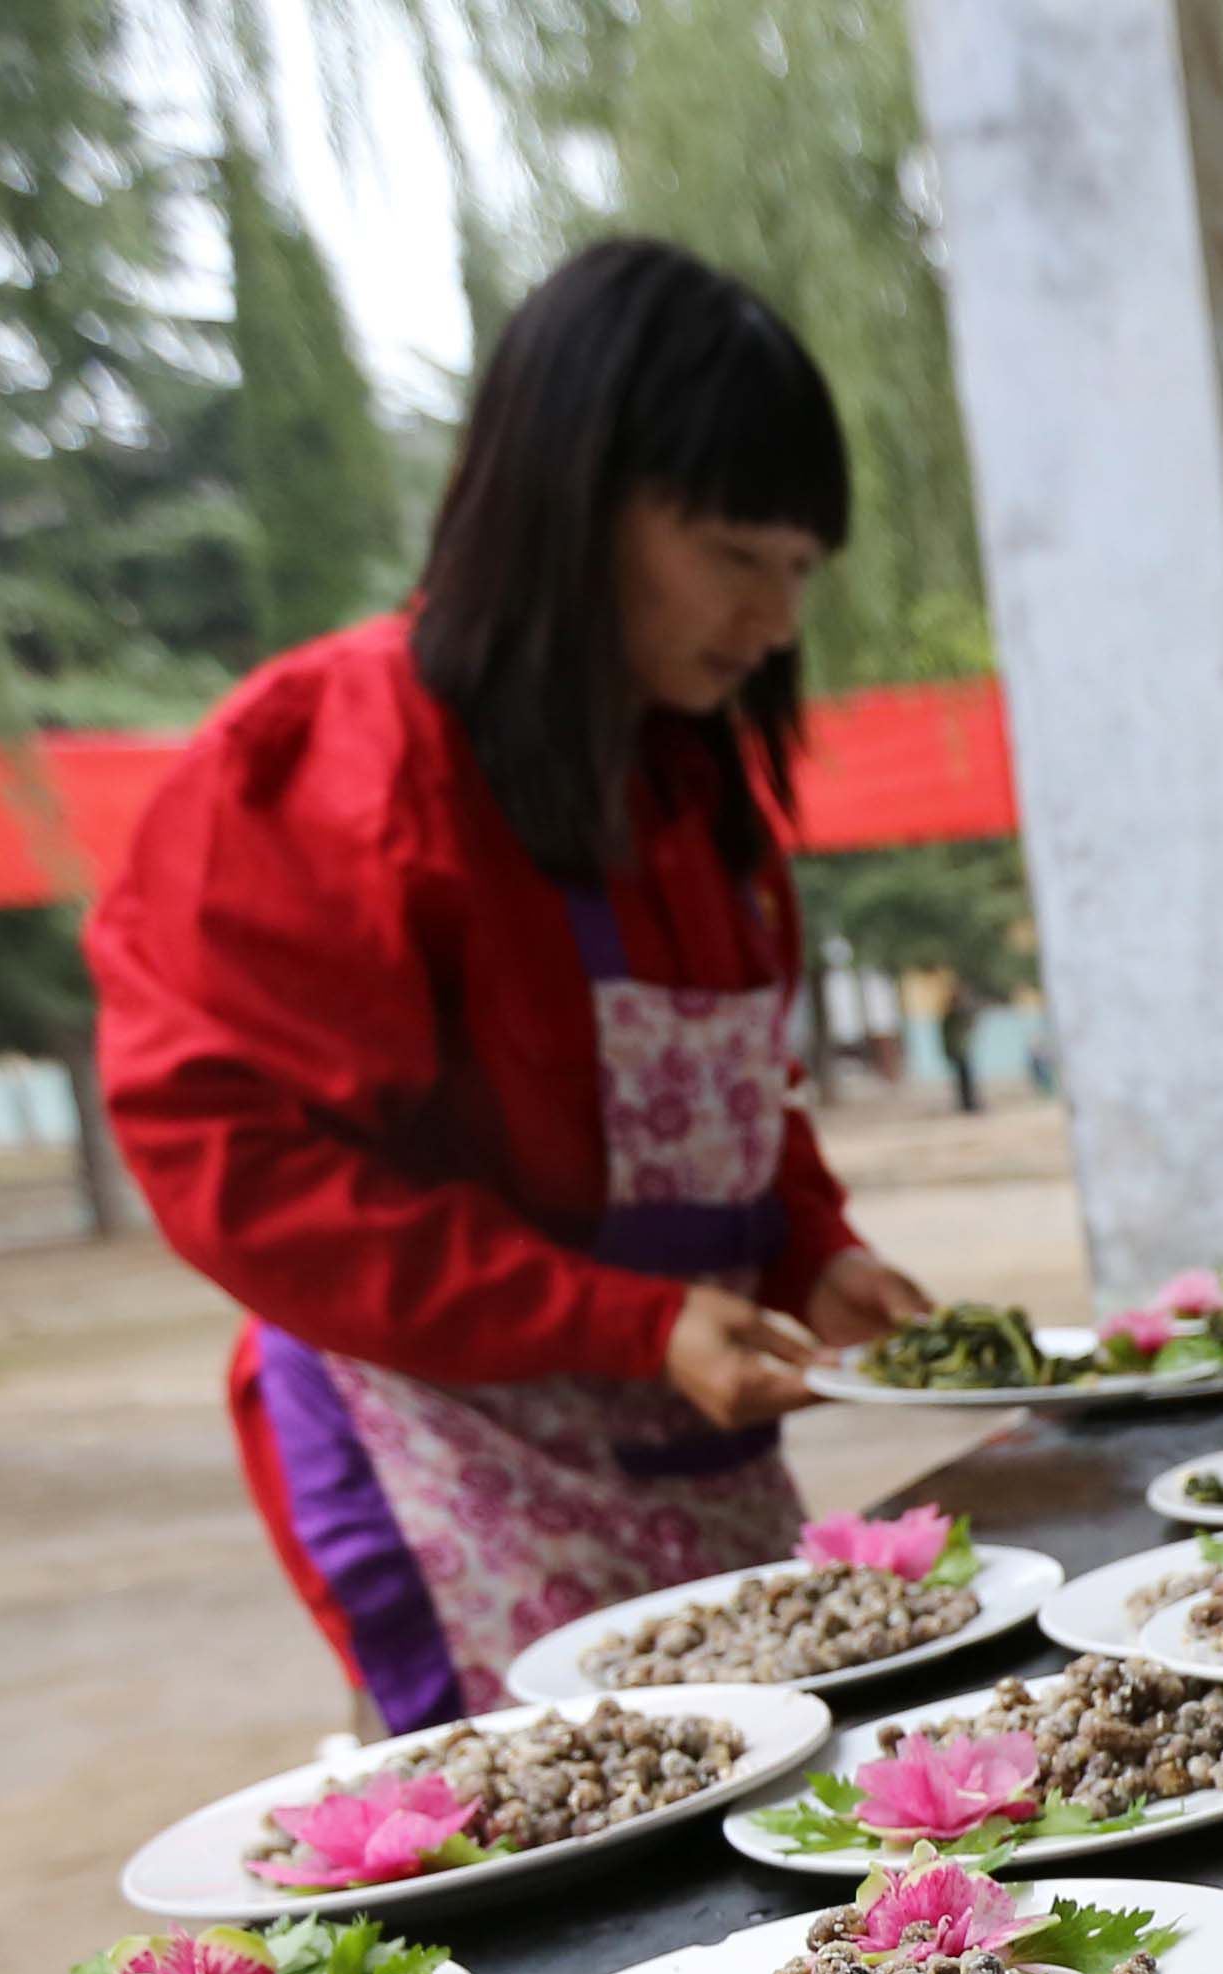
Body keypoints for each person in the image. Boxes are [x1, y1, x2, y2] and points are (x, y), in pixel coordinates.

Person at [93, 238, 928, 1731]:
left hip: (690, 1446)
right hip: (457, 1449)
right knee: (563, 1819)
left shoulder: (694, 786)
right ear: (574, 503)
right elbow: (242, 1169)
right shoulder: (333, 765)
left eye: (799, 569)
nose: (776, 621)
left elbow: (737, 1100)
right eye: (733, 557)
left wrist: (811, 1251)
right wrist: (618, 1320)